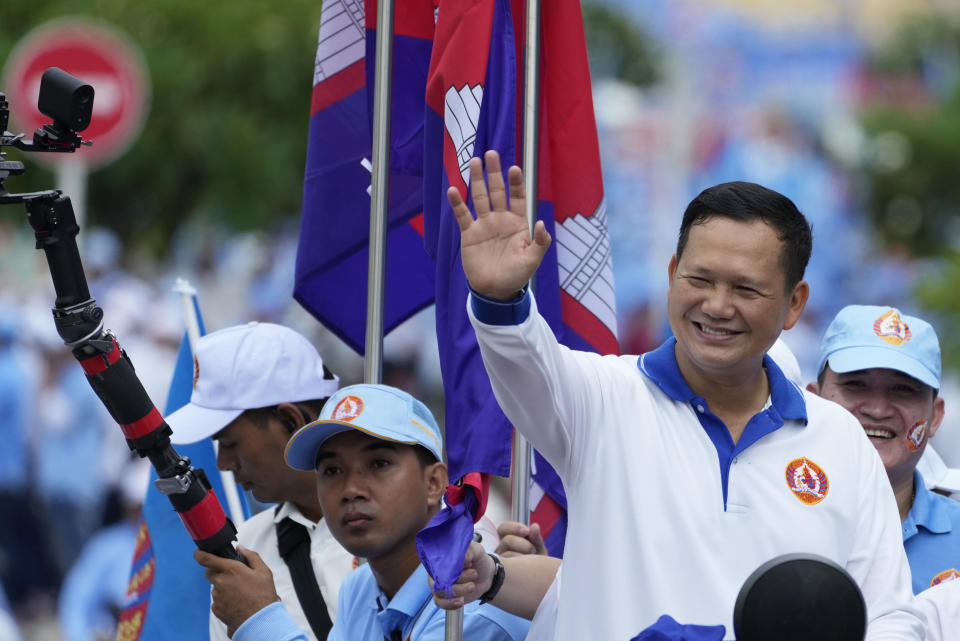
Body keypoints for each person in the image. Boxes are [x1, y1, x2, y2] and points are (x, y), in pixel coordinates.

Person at [452, 150, 924, 638]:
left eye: (746, 289)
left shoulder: (839, 440)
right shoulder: (600, 398)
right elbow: (525, 367)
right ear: (673, 271)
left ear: (794, 303)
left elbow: (889, 616)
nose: (717, 306)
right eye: (700, 279)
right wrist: (499, 299)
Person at [195, 383, 529, 641]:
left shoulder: (472, 602)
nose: (351, 489)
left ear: (434, 483)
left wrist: (261, 619)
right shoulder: (362, 588)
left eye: (379, 463)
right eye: (331, 471)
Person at [165, 321, 356, 641]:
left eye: (230, 442)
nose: (223, 463)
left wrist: (260, 617)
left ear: (291, 421)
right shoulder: (247, 547)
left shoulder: (421, 530)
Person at [808, 305, 960, 594]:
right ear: (812, 400)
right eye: (856, 385)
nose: (878, 410)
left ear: (935, 417)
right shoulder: (768, 511)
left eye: (903, 389)